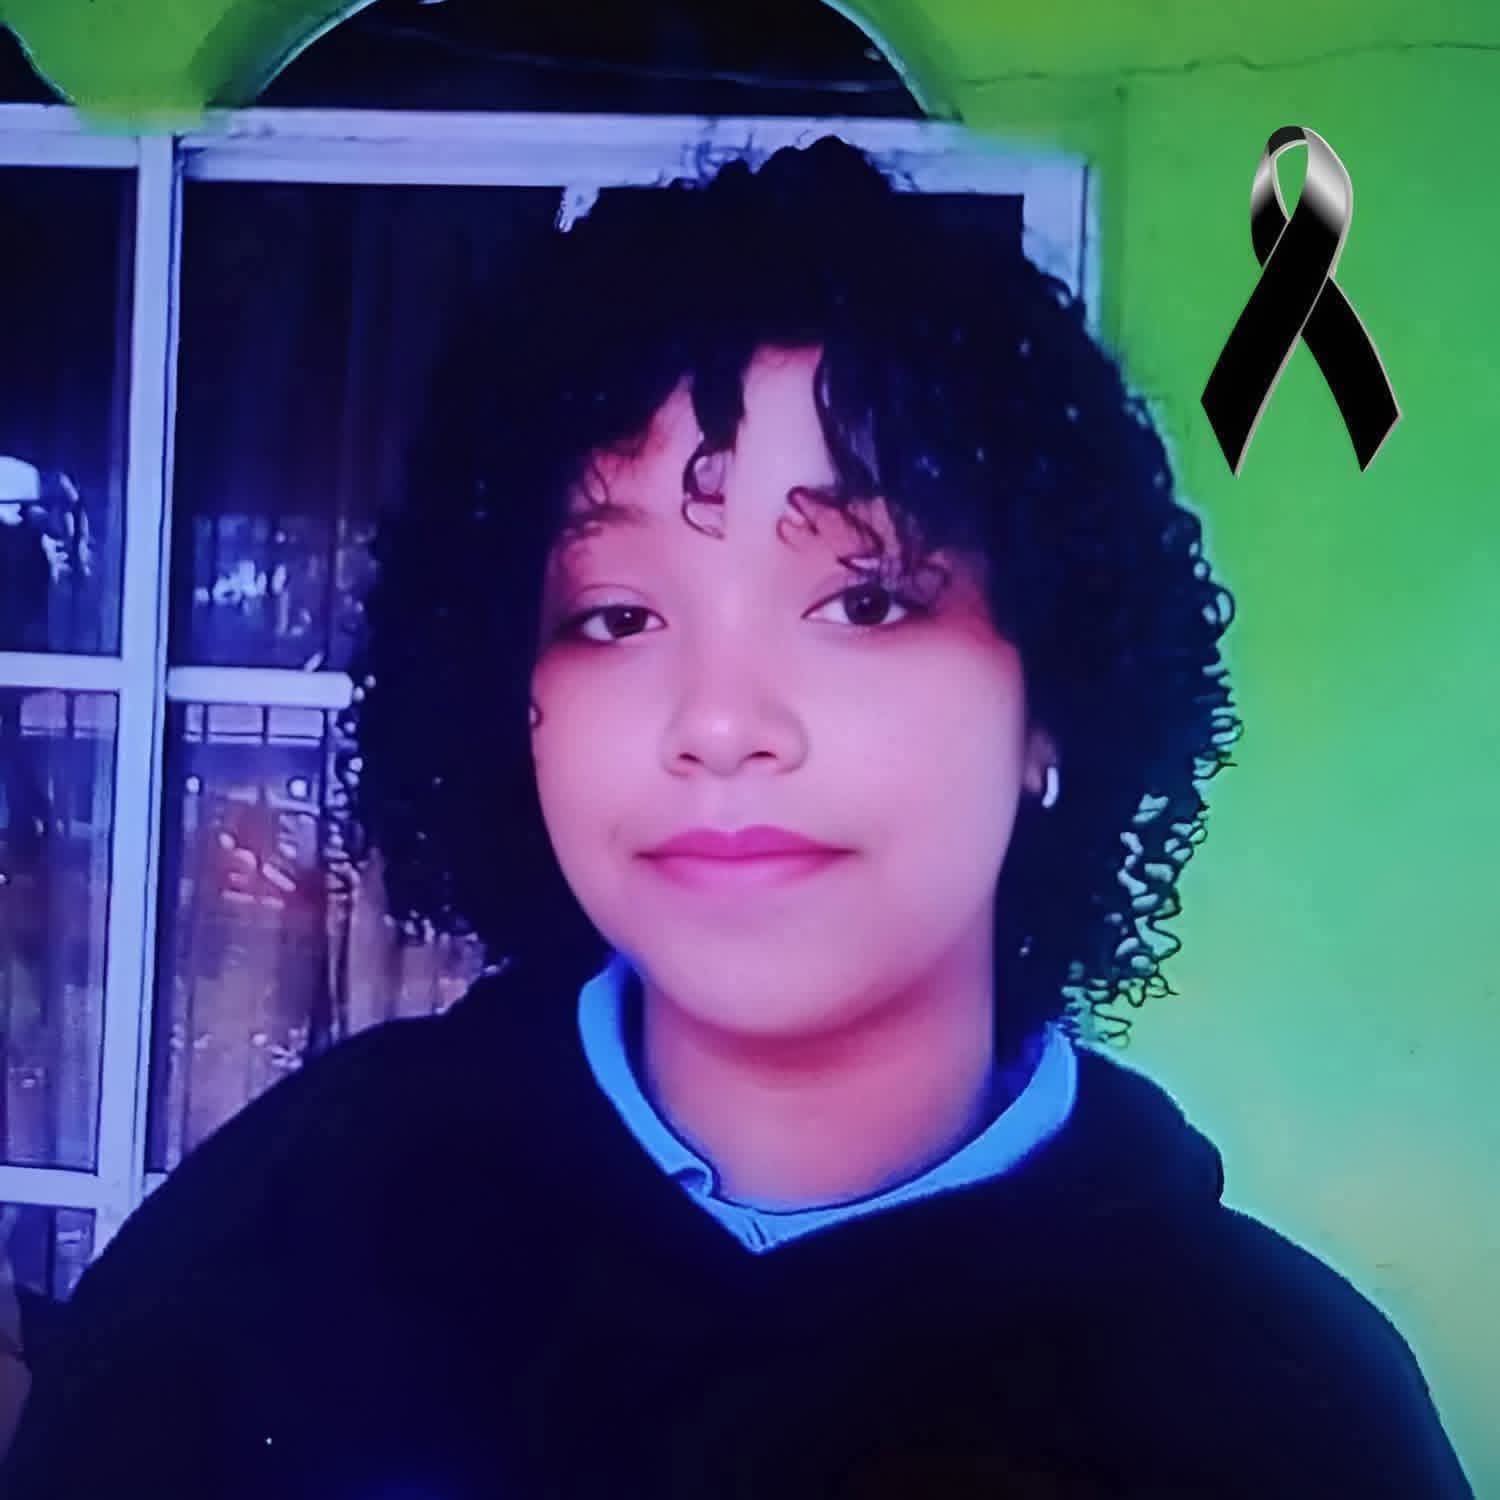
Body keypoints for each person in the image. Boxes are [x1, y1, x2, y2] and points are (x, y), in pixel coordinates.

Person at [1, 137, 1473, 1499]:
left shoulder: (1283, 1412)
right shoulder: (282, 1242)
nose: (717, 720)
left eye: (864, 599)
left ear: (1056, 700)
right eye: (616, 614)